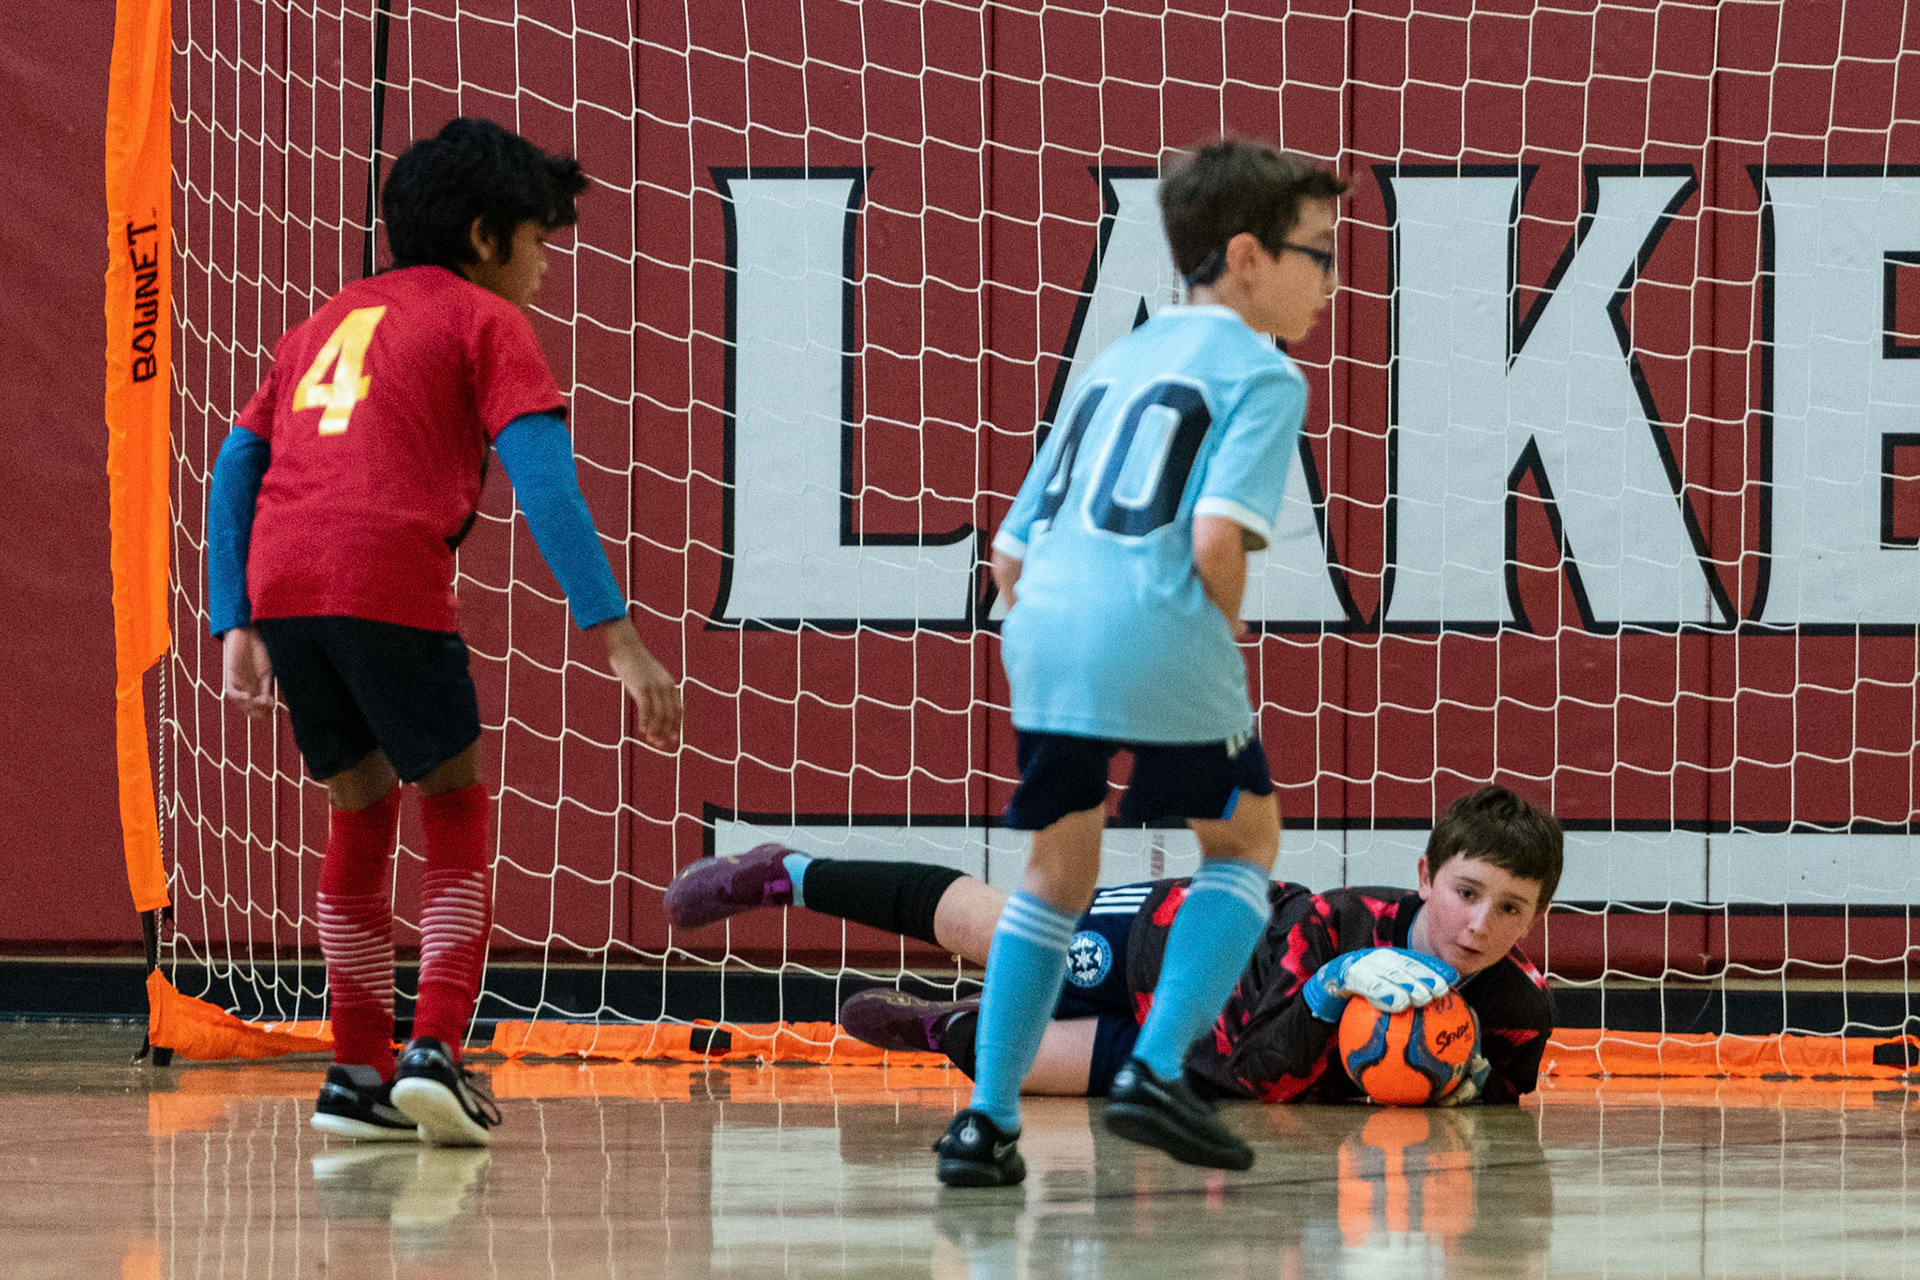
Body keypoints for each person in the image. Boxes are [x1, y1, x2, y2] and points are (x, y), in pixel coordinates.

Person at [680, 138, 1343, 1184]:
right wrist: (1215, 634)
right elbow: (1216, 538)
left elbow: (1009, 549)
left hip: (1042, 621)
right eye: (1322, 253)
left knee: (1055, 873)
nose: (1330, 278)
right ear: (1250, 256)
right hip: (1153, 609)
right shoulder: (1264, 371)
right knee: (1244, 841)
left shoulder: (1118, 361)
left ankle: (985, 1122)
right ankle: (1158, 1069)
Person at [205, 117, 682, 1147]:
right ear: (481, 237)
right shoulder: (484, 320)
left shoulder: (324, 320)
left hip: (284, 579)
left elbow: (234, 463)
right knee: (454, 802)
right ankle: (437, 1050)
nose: (548, 265)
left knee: (360, 804)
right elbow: (545, 480)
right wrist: (619, 637)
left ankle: (356, 1069)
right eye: (540, 240)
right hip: (385, 569)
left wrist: (230, 616)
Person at [666, 784, 1560, 1110]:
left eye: (1511, 910)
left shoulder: (1519, 1008)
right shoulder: (1332, 923)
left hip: (1188, 1058)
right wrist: (1331, 984)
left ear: (1536, 917)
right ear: (1425, 879)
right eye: (1466, 894)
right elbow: (1258, 1044)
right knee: (993, 925)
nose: (1479, 926)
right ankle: (790, 873)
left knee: (1004, 1062)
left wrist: (1460, 1086)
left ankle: (945, 1028)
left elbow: (1246, 1078)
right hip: (1161, 948)